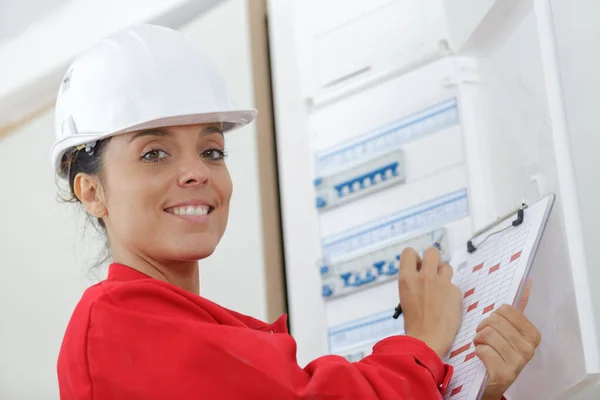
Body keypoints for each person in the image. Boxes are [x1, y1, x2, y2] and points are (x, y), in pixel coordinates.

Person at [53, 24, 541, 400]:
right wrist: (423, 342)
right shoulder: (114, 322)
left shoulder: (196, 333)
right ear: (92, 191)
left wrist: (484, 387)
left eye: (212, 151)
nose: (196, 172)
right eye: (154, 153)